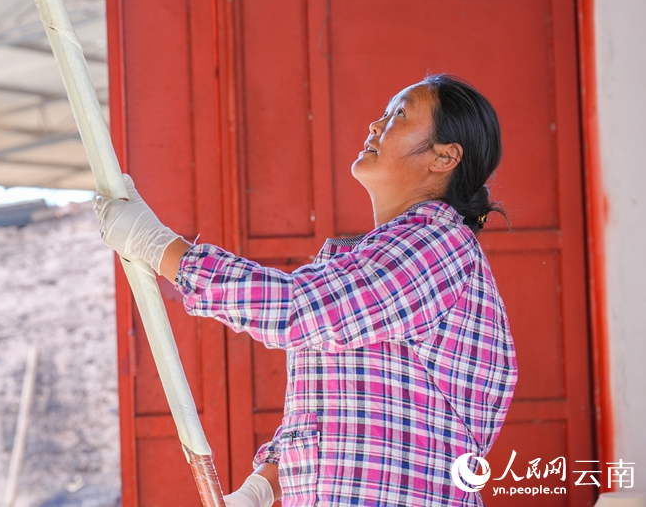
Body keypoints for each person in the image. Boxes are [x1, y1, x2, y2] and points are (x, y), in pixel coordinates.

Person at [94, 74, 518, 506]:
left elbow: (297, 309)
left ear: (444, 157)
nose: (375, 125)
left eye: (400, 115)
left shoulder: (435, 245)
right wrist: (262, 485)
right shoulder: (390, 256)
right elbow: (342, 416)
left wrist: (163, 249)